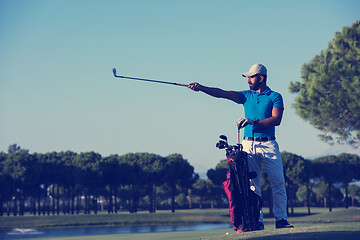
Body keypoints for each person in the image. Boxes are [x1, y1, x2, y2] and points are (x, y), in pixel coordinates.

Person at [188, 63, 293, 231]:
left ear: (261, 78)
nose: (248, 80)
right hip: (248, 145)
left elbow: (276, 120)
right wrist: (201, 88)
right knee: (252, 185)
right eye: (248, 77)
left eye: (251, 77)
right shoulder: (246, 96)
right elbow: (222, 93)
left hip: (269, 144)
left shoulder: (275, 96)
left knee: (278, 183)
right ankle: (256, 221)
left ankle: (281, 220)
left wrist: (253, 121)